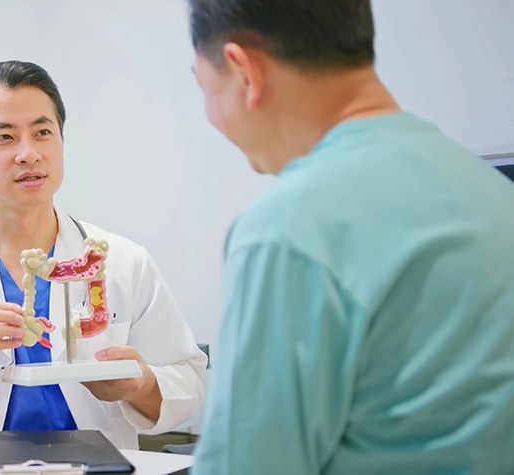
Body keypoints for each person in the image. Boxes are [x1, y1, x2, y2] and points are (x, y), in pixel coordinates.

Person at [187, 1, 514, 473]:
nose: (211, 115)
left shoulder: (288, 231)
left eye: (203, 85)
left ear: (243, 70)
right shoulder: (490, 192)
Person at [0, 60, 206, 449]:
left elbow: (189, 383)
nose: (29, 154)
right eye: (5, 137)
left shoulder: (124, 262)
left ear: (61, 142)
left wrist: (141, 383)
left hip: (96, 467)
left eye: (43, 132)